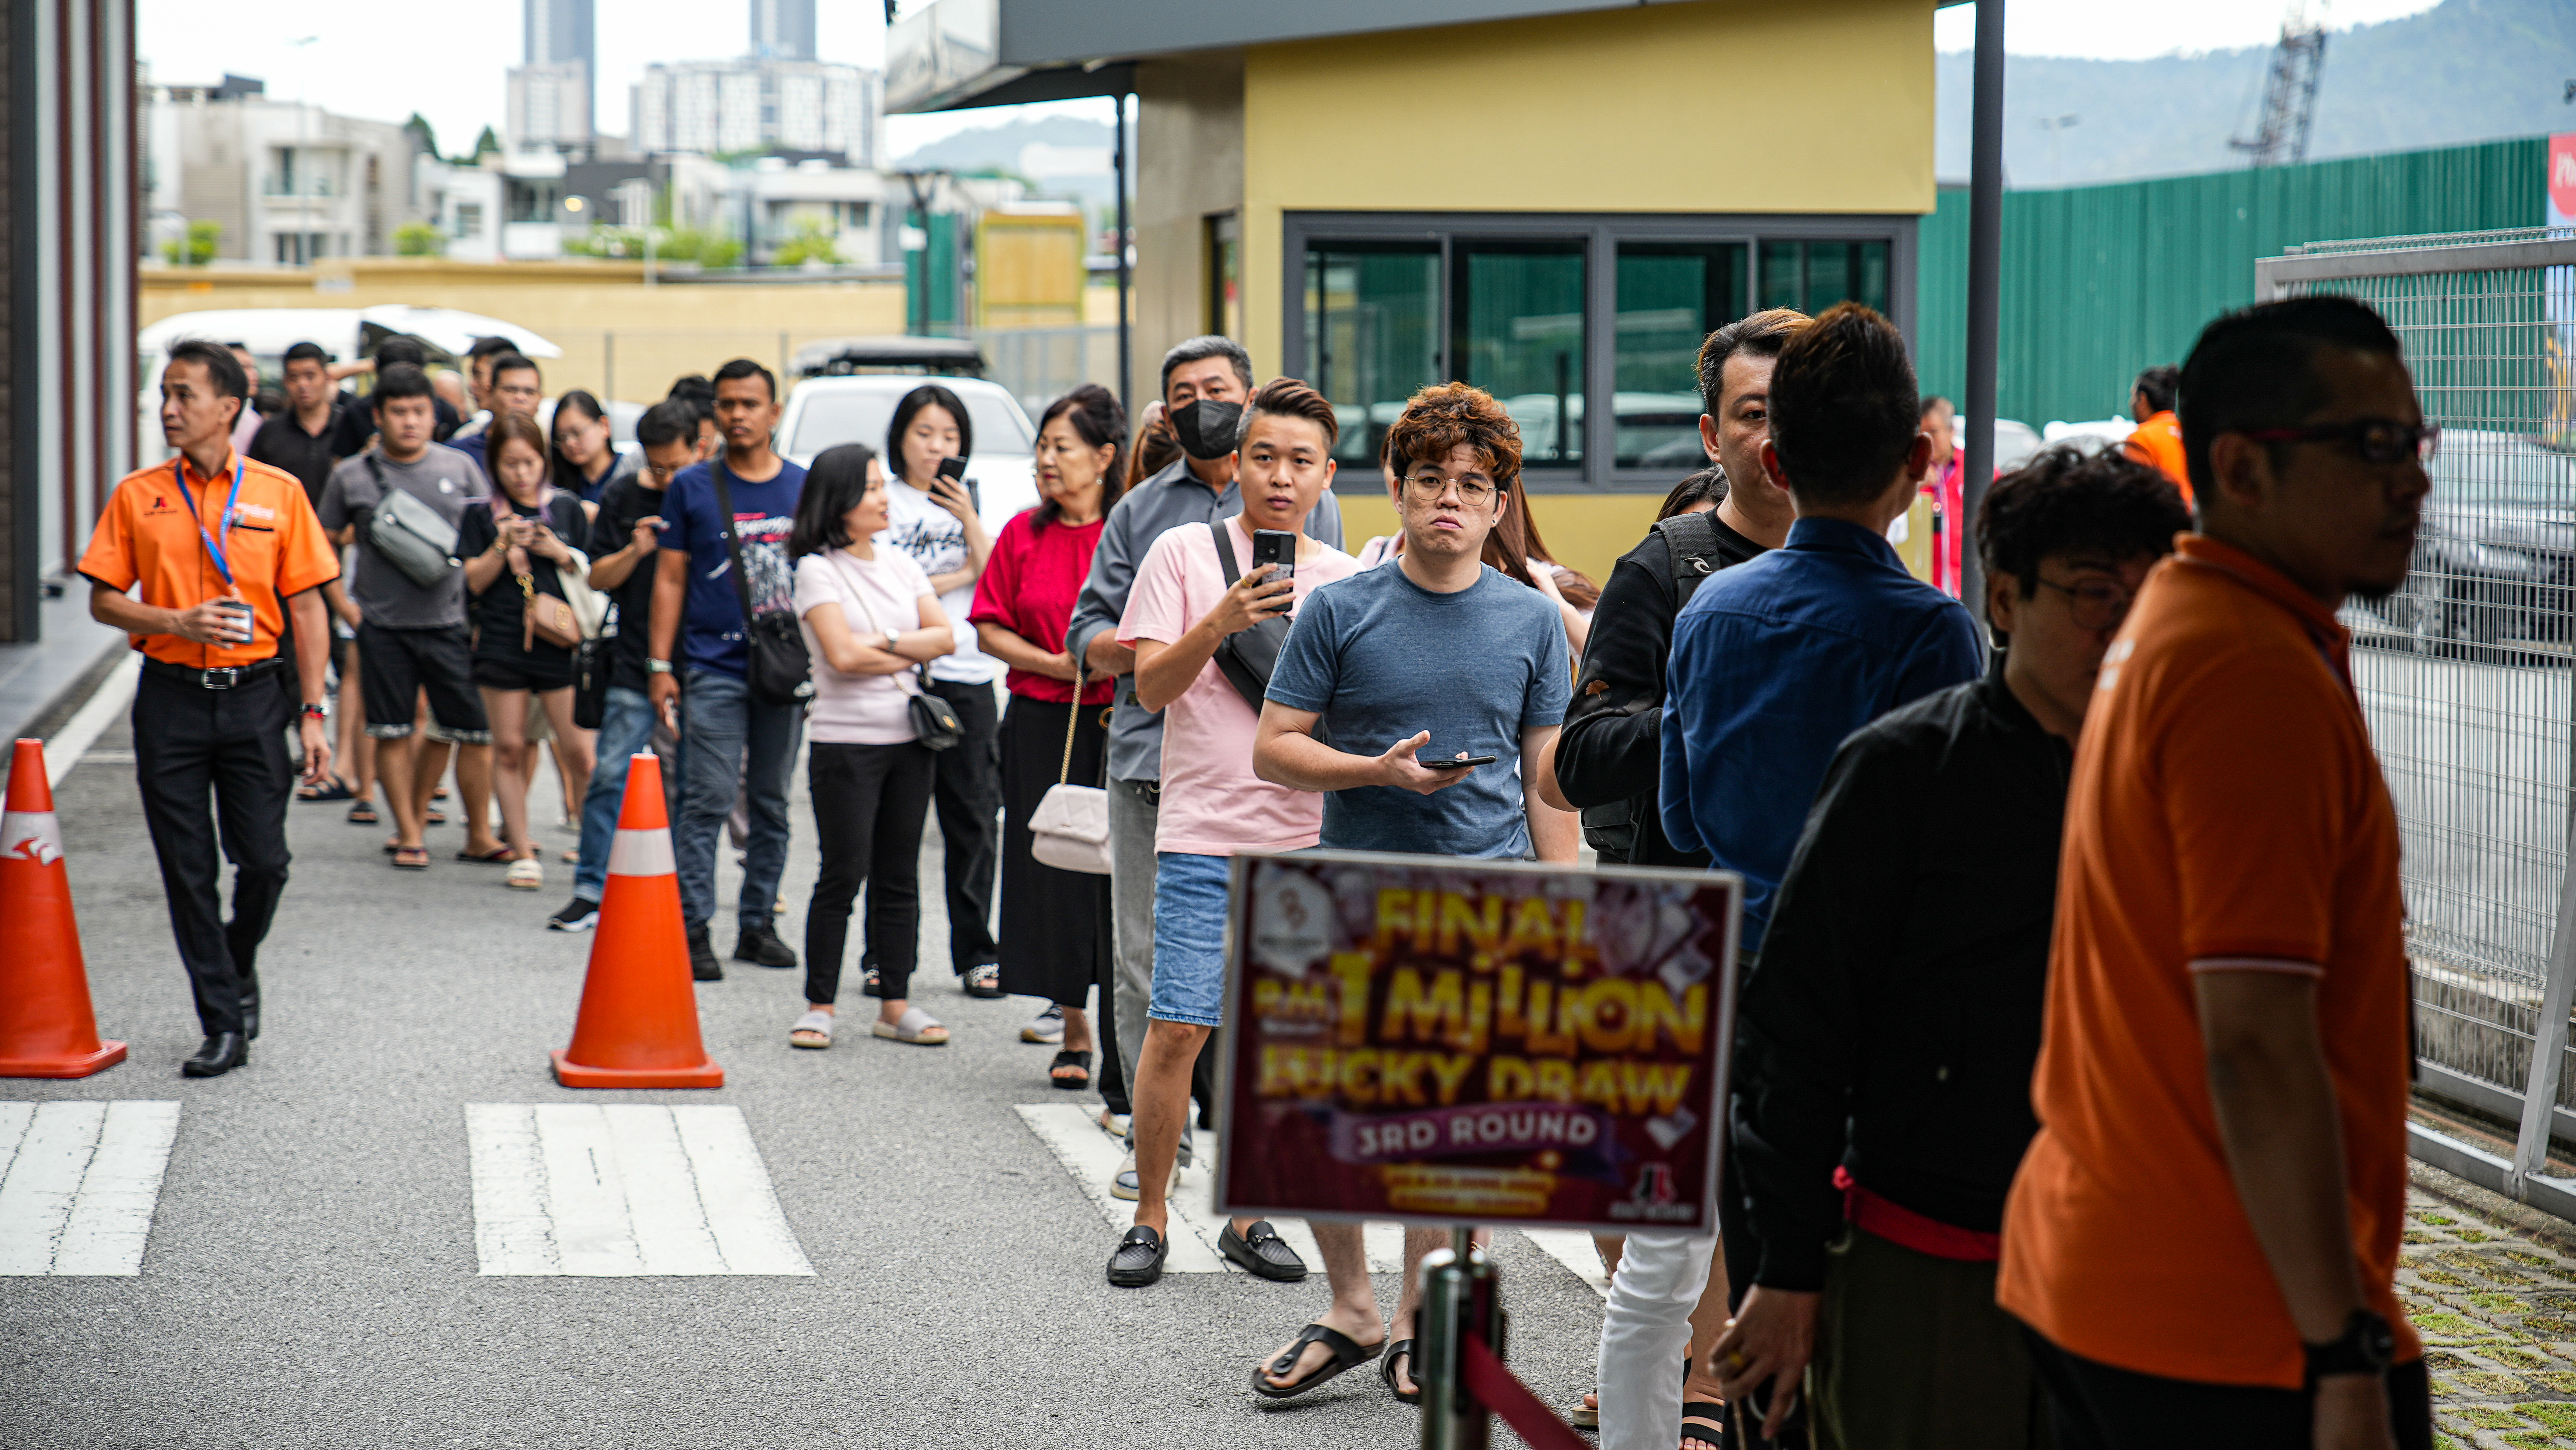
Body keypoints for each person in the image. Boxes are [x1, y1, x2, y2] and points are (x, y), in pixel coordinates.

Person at [1998, 297, 2434, 1449]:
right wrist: (2340, 1347)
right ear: (2240, 466)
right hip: (2229, 1319)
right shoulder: (2248, 673)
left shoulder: (2181, 618)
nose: (2411, 483)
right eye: (2371, 447)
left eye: (2415, 443)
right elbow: (2249, 1039)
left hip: (2111, 1269)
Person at [1706, 447, 2187, 1450]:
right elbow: (1794, 1035)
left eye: (2151, 597)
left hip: (2138, 1264)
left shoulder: (2188, 782)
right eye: (2095, 593)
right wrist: (1787, 1267)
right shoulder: (1904, 772)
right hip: (1930, 1260)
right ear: (2005, 600)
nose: (2124, 627)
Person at [1645, 302, 1980, 1450]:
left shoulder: (1708, 612)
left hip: (1739, 992)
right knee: (1865, 1311)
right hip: (1886, 1023)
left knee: (1755, 1275)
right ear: (1919, 462)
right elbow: (1948, 857)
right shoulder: (1936, 635)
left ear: (1774, 460)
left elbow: (1681, 815)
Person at [1250, 380, 1575, 1402]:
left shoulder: (1532, 620)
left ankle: (1414, 1321)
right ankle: (1349, 1307)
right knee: (1322, 1121)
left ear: (1499, 502)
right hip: (1349, 891)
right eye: (1430, 478)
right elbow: (1274, 750)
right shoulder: (1340, 605)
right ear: (1395, 487)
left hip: (1483, 900)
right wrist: (1375, 772)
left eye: (1472, 485)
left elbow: (1546, 782)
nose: (1449, 498)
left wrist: (1569, 910)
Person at [1062, 335, 1346, 1199]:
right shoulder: (1161, 526)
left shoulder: (1340, 564)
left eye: (1301, 461)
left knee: (1277, 1030)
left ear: (1326, 475)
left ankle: (1247, 1199)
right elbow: (1130, 667)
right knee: (1164, 995)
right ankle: (1155, 1177)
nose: (1281, 476)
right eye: (1265, 456)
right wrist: (1216, 621)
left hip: (1299, 827)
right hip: (1179, 795)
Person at [76, 339, 339, 1077]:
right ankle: (222, 1020)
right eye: (165, 393)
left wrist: (313, 712)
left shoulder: (279, 493)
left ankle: (235, 959)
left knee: (266, 862)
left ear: (229, 407)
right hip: (170, 704)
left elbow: (310, 607)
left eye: (184, 395)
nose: (169, 408)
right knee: (187, 869)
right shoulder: (139, 494)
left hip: (258, 698)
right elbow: (102, 599)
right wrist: (173, 622)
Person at [970, 384, 1126, 1092]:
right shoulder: (1020, 534)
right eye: (1041, 446)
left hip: (1121, 722)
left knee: (1119, 874)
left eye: (1061, 447)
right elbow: (989, 623)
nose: (1046, 460)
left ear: (1104, 457)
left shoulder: (1129, 533)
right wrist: (1056, 662)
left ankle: (1128, 1032)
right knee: (1053, 867)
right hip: (1039, 720)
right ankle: (1073, 1026)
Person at [783, 444, 952, 1049]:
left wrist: (881, 640)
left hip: (910, 740)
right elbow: (841, 656)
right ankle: (819, 1003)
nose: (885, 498)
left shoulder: (902, 564)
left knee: (899, 875)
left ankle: (894, 1003)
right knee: (842, 872)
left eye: (882, 487)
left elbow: (946, 637)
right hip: (844, 744)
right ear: (840, 499)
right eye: (873, 488)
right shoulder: (815, 569)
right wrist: (903, 644)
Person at [649, 358, 808, 981]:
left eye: (750, 403)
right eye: (727, 403)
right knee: (706, 797)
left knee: (770, 801)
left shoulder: (802, 484)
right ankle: (691, 925)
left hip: (782, 669)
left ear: (773, 411)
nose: (738, 414)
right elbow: (669, 577)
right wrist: (661, 664)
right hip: (711, 665)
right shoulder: (691, 486)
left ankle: (757, 922)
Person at [316, 363, 501, 872]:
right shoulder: (350, 475)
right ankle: (410, 831)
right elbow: (320, 548)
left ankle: (479, 832)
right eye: (399, 412)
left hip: (450, 624)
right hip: (382, 627)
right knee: (392, 731)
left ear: (434, 416)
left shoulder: (461, 469)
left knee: (475, 732)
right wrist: (344, 607)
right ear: (379, 416)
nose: (410, 422)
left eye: (419, 411)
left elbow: (486, 544)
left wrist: (481, 612)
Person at [876, 384, 1007, 999]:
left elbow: (997, 572)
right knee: (894, 821)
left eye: (950, 436)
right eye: (925, 433)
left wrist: (968, 521)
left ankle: (978, 951)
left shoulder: (970, 501)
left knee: (973, 820)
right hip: (903, 674)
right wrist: (961, 573)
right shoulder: (884, 499)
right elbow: (889, 585)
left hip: (968, 674)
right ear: (900, 437)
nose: (937, 447)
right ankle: (885, 954)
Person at [551, 400, 697, 932]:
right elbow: (596, 578)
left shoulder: (706, 492)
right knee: (610, 773)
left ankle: (674, 891)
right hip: (634, 661)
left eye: (676, 467)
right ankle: (591, 887)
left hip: (697, 664)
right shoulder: (624, 494)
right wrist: (638, 549)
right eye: (656, 468)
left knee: (686, 784)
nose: (666, 478)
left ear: (697, 449)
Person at [454, 413, 597, 893]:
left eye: (530, 463)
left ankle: (592, 847)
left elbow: (590, 578)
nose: (521, 474)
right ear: (496, 466)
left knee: (580, 751)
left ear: (545, 461)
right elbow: (470, 585)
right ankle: (521, 849)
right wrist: (501, 545)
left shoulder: (567, 509)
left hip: (560, 644)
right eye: (510, 465)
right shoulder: (479, 514)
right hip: (500, 642)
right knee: (510, 747)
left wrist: (557, 550)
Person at [452, 353, 545, 476]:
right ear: (490, 392)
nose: (521, 398)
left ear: (541, 398)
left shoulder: (555, 453)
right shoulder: (459, 453)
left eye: (530, 392)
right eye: (510, 390)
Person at [2121, 363, 2191, 505]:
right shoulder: (2188, 433)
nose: (2131, 403)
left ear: (2143, 400)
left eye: (2133, 396)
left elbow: (2134, 496)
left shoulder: (2141, 439)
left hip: (2162, 522)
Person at [1918, 392, 1966, 596]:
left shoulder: (1974, 468)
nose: (1928, 441)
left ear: (1951, 431)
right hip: (1925, 583)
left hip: (1964, 585)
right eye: (1922, 435)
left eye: (1934, 432)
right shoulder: (1913, 471)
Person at [551, 390, 634, 505]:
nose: (569, 443)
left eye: (577, 432)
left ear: (604, 426)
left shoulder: (631, 470)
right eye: (562, 437)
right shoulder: (559, 486)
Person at [225, 343, 266, 457]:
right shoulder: (208, 418)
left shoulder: (255, 420)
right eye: (245, 367)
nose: (254, 374)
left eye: (253, 368)